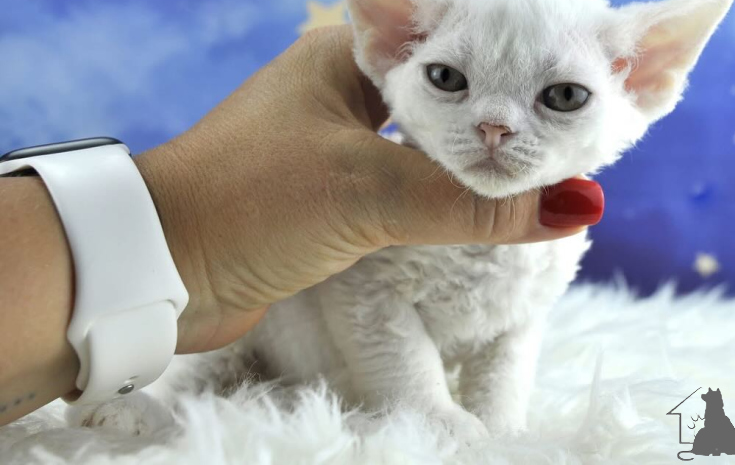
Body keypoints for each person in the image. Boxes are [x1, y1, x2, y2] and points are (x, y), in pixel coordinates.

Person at [0, 25, 602, 426]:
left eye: (564, 96)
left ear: (643, 79)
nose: (496, 127)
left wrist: (499, 431)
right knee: (209, 372)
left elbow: (516, 327)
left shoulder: (554, 247)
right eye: (449, 80)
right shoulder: (370, 200)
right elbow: (367, 293)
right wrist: (424, 411)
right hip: (272, 342)